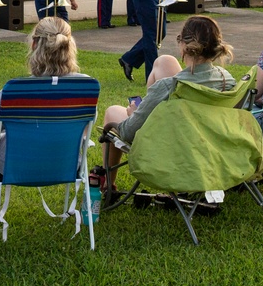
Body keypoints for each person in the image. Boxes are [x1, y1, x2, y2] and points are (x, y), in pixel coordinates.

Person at [0, 16, 87, 217]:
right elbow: (83, 130)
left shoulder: (16, 89)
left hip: (15, 165)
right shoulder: (85, 86)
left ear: (34, 45)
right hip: (67, 163)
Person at [101, 15, 236, 189]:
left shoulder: (169, 86)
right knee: (164, 61)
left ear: (184, 46)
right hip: (212, 145)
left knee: (113, 111)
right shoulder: (228, 80)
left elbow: (127, 133)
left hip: (175, 147)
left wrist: (133, 115)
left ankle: (108, 184)